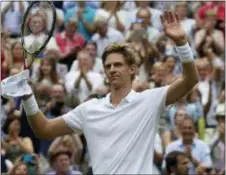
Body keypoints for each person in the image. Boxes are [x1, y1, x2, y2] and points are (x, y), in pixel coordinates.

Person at [2, 11, 199, 174]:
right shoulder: (89, 109)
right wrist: (28, 96)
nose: (112, 69)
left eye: (118, 65)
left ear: (132, 69)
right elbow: (44, 129)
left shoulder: (149, 100)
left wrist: (181, 43)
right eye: (108, 66)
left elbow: (190, 80)